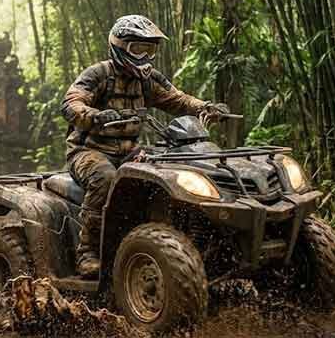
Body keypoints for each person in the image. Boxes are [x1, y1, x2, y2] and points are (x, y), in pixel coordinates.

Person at [61, 14, 229, 277]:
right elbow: (71, 103)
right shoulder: (98, 74)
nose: (144, 56)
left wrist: (205, 107)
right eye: (138, 48)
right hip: (89, 151)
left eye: (149, 49)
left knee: (170, 170)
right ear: (119, 46)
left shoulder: (148, 80)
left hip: (129, 151)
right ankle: (87, 253)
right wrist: (94, 116)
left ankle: (169, 242)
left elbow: (178, 99)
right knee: (104, 178)